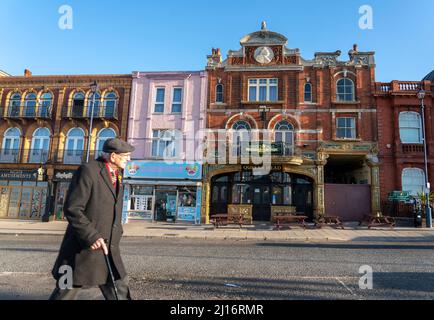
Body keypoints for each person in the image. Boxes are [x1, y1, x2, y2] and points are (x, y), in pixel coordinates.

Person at [49, 138, 134, 300]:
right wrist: (91, 236)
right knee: (65, 292)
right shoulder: (88, 170)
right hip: (82, 249)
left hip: (109, 249)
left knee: (120, 289)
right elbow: (73, 208)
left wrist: (117, 232)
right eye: (126, 156)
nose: (129, 159)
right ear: (113, 156)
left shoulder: (117, 175)